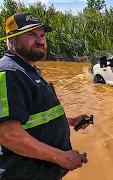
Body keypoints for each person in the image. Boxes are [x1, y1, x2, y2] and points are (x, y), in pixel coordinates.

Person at [0, 12, 89, 180]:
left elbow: (32, 115)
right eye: (31, 34)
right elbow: (8, 135)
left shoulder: (29, 70)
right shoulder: (8, 72)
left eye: (42, 35)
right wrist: (61, 157)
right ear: (11, 39)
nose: (40, 41)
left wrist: (70, 121)